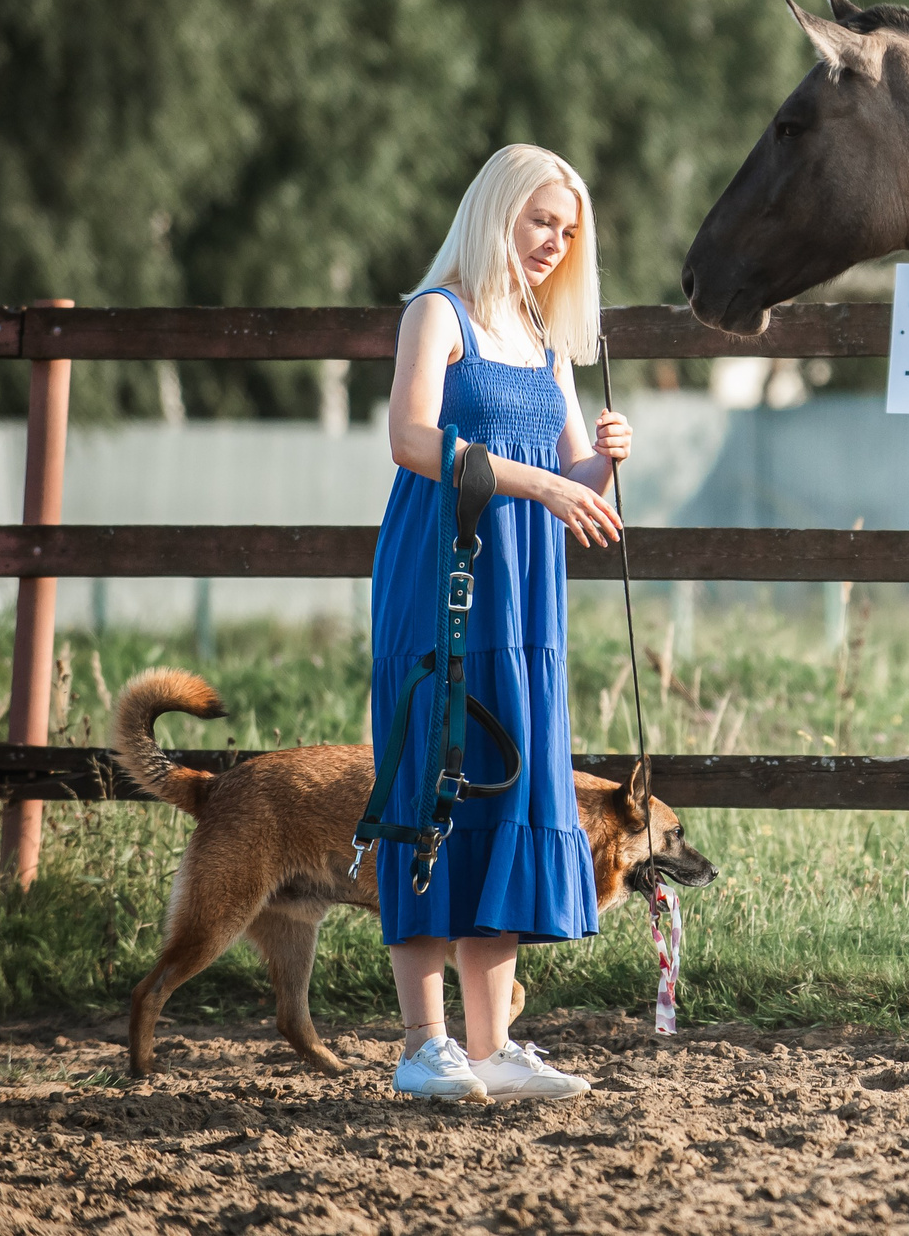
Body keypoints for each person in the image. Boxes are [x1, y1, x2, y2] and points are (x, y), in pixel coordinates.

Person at [373, 144, 628, 1102]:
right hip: (440, 570)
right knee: (431, 778)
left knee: (510, 784)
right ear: (495, 212)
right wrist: (543, 484)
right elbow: (410, 438)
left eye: (569, 231)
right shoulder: (437, 312)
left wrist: (606, 461)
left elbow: (575, 478)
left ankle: (492, 1045)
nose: (555, 243)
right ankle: (423, 1046)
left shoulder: (544, 336)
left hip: (526, 589)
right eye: (541, 222)